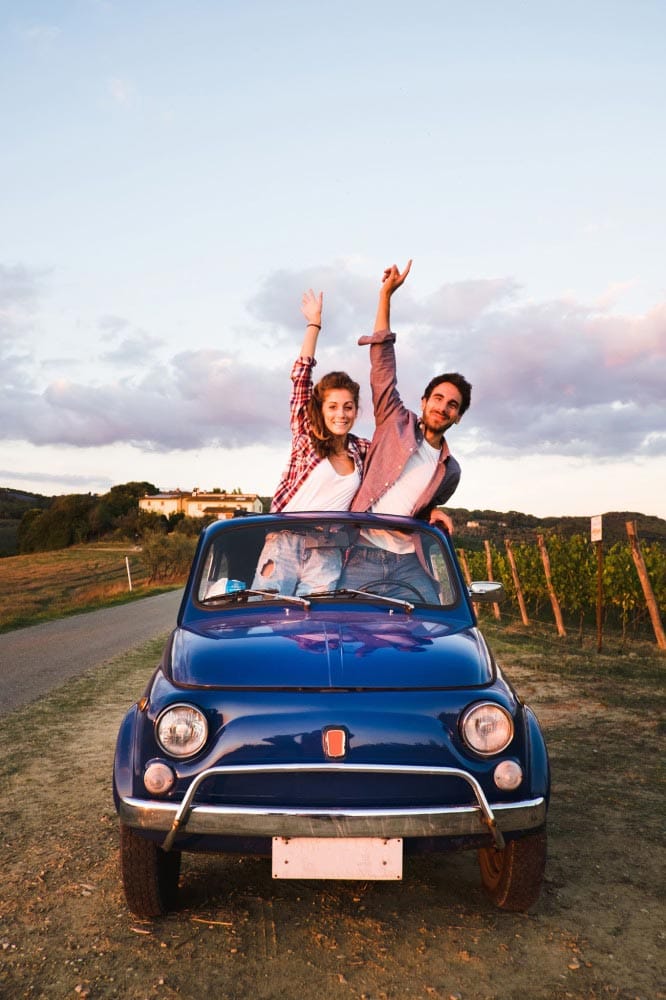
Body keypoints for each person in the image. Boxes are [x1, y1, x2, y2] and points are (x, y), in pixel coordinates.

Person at [340, 259, 472, 602]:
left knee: (435, 625)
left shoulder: (451, 472)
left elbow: (419, 507)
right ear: (424, 400)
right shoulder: (394, 420)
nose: (443, 407)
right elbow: (382, 365)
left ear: (457, 417)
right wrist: (386, 296)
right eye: (438, 398)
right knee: (349, 629)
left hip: (408, 561)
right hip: (364, 552)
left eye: (452, 405)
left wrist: (433, 513)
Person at [252, 289, 370, 595]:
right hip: (285, 542)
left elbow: (396, 469)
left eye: (347, 407)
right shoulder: (306, 437)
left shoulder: (362, 451)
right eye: (332, 406)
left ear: (356, 410)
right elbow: (300, 378)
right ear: (320, 409)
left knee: (314, 633)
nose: (341, 414)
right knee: (268, 616)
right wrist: (314, 325)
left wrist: (431, 509)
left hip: (327, 551)